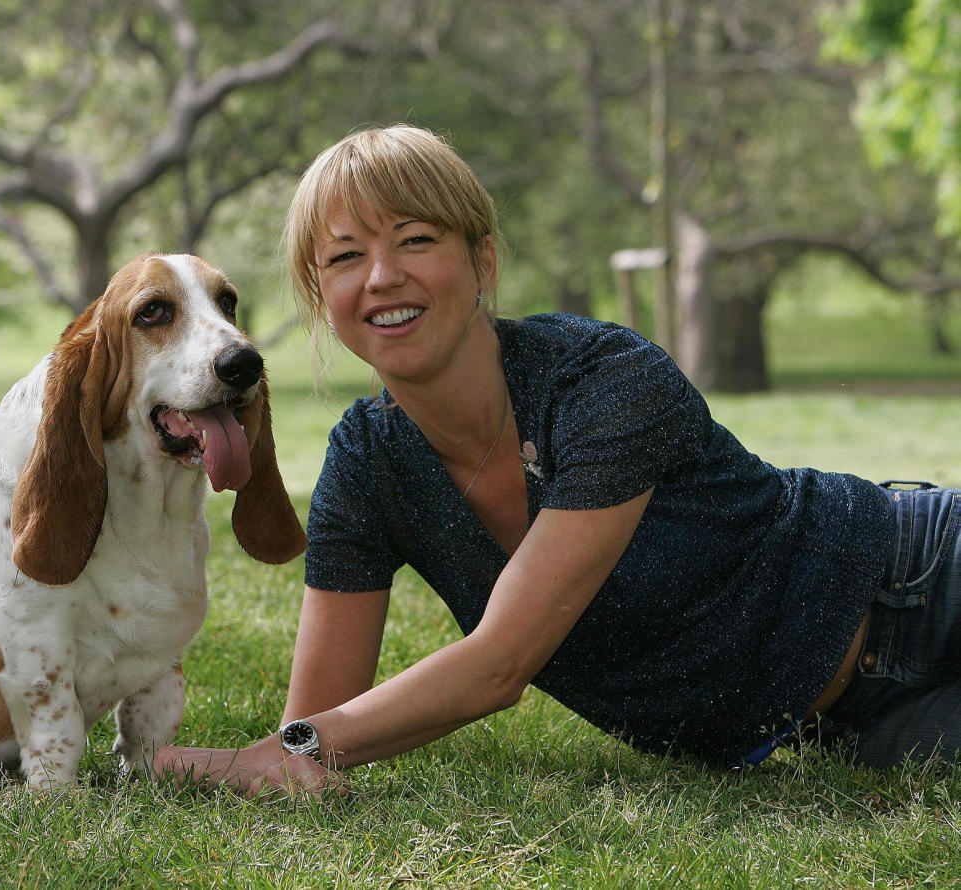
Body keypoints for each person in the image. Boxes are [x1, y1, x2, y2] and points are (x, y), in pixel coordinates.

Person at [152, 124, 961, 797]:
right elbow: (316, 733)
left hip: (920, 578)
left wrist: (293, 747)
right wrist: (182, 762)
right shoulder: (366, 463)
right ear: (321, 298)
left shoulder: (603, 378)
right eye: (343, 257)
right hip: (847, 726)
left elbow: (500, 663)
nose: (383, 276)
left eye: (416, 239)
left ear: (483, 262)